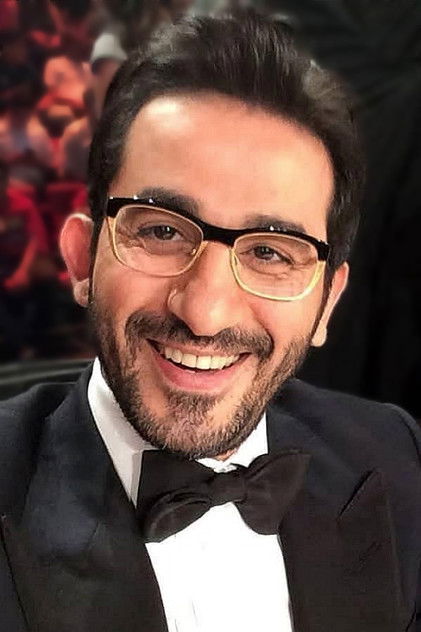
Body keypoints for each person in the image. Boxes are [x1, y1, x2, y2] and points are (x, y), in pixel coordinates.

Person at [0, 11, 420, 632]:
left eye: (270, 252)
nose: (204, 312)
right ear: (83, 259)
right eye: (162, 232)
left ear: (327, 302)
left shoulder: (397, 457)